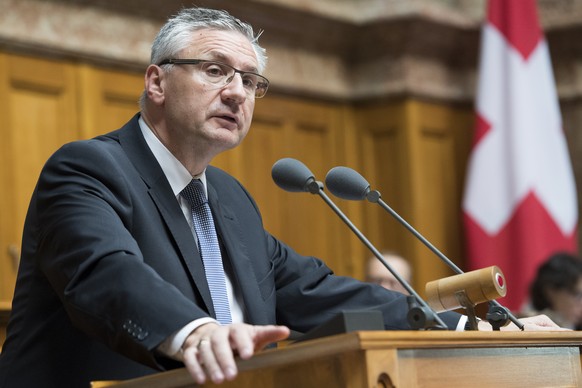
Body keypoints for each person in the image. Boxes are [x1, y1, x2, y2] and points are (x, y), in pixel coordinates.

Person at [0, 7, 563, 388]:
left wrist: (469, 327)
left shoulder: (228, 198)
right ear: (156, 82)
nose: (237, 92)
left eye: (250, 81)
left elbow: (313, 290)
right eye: (216, 70)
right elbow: (106, 274)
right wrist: (197, 332)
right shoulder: (89, 169)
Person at [524, 252, 582, 330]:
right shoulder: (526, 324)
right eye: (577, 295)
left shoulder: (574, 324)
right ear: (551, 291)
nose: (580, 303)